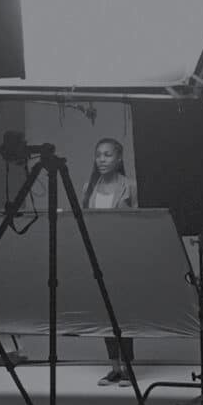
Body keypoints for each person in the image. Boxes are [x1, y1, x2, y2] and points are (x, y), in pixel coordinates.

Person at [81, 137, 137, 387]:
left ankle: (128, 368)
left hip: (123, 256)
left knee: (124, 313)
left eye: (107, 155)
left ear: (119, 158)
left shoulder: (130, 186)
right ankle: (114, 367)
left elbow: (138, 222)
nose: (102, 160)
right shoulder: (88, 187)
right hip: (98, 255)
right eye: (98, 155)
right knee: (105, 314)